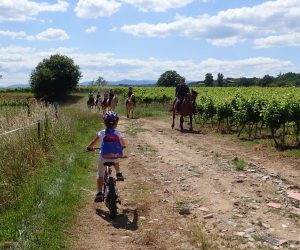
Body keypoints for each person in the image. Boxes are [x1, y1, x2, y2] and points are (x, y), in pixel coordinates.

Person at [87, 111, 126, 202]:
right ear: (116, 124)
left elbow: (93, 142)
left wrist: (89, 147)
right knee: (116, 159)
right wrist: (123, 146)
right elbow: (123, 143)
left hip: (103, 157)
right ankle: (118, 173)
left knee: (100, 174)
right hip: (115, 156)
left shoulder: (101, 133)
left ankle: (99, 193)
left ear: (105, 123)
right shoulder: (118, 133)